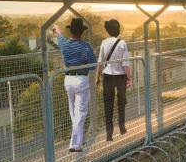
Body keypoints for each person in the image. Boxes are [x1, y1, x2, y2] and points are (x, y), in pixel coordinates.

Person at [52, 18, 96, 152]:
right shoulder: (86, 46)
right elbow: (93, 65)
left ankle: (79, 139)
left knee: (74, 113)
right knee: (81, 113)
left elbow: (58, 33)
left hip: (68, 80)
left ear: (70, 30)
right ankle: (75, 145)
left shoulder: (64, 43)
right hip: (81, 80)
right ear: (82, 32)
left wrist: (55, 28)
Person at [96, 19, 131, 141]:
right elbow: (125, 63)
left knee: (108, 104)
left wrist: (98, 77)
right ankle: (122, 127)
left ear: (108, 31)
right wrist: (129, 78)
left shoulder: (104, 42)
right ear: (118, 30)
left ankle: (109, 134)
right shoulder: (122, 43)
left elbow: (100, 62)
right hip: (120, 76)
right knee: (121, 102)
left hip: (107, 76)